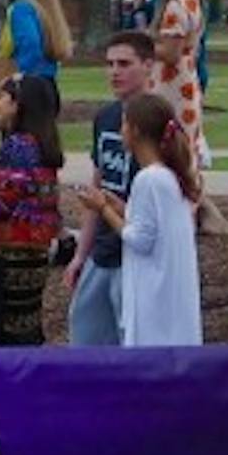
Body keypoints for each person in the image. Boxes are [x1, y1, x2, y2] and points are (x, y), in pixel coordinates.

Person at [85, 92, 200, 348]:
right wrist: (120, 208)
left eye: (124, 124)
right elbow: (153, 225)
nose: (120, 131)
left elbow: (140, 239)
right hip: (171, 300)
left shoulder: (148, 180)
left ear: (135, 130)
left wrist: (103, 210)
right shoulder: (168, 177)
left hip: (155, 303)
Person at [66, 32, 155, 348]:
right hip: (101, 253)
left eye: (124, 64)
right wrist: (81, 254)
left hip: (136, 257)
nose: (115, 72)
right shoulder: (106, 118)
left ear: (148, 65)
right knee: (85, 342)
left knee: (132, 346)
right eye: (110, 64)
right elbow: (98, 185)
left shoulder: (160, 120)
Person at [0, 73, 64, 346]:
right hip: (37, 250)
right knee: (28, 321)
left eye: (3, 97)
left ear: (17, 105)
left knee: (10, 328)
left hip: (12, 253)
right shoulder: (42, 144)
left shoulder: (18, 146)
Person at [149, 0, 212, 165]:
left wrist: (144, 46)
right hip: (188, 80)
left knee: (167, 144)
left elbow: (170, 53)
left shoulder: (175, 8)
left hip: (171, 85)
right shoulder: (194, 2)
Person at [0, 0, 69, 86]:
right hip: (48, 84)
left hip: (28, 85)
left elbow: (30, 44)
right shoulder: (44, 11)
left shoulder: (21, 9)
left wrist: (21, 75)